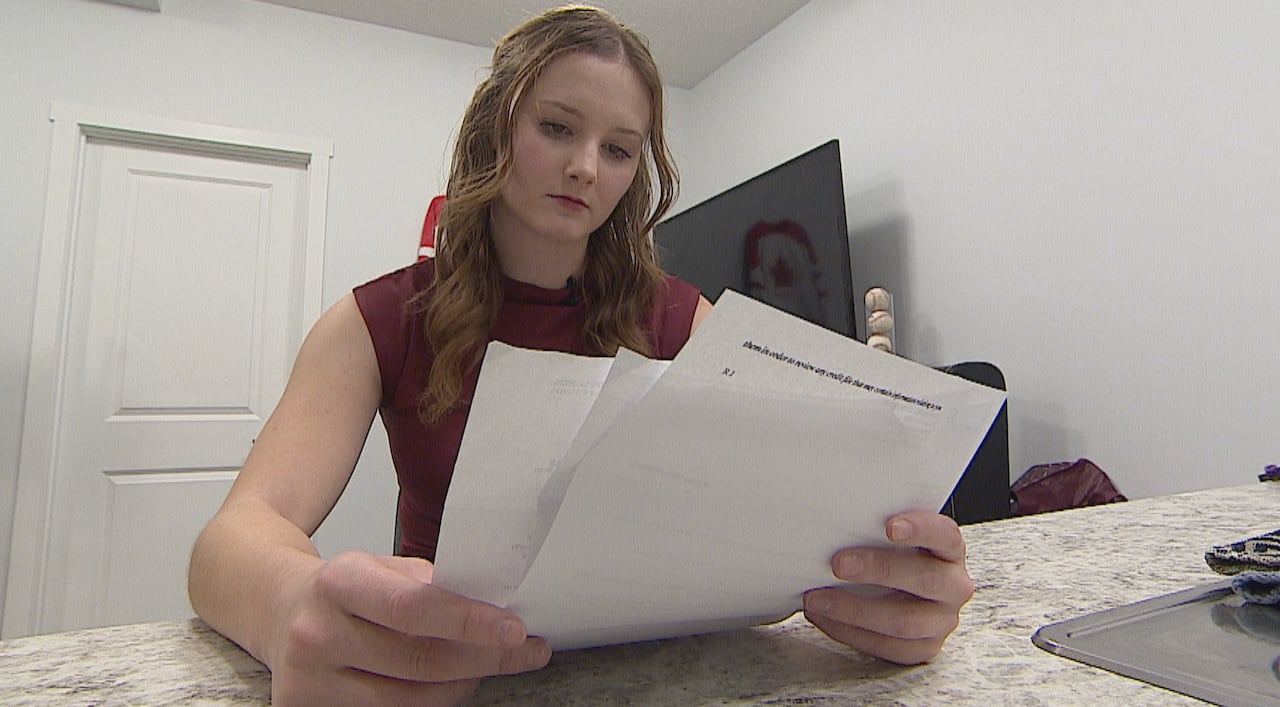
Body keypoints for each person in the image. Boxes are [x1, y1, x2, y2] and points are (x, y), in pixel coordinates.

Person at [188, 5, 974, 705]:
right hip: (454, 676)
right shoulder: (378, 319)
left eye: (620, 148)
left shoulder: (675, 315)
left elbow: (797, 499)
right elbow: (234, 538)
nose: (586, 168)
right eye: (558, 128)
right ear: (497, 127)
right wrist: (292, 601)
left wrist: (890, 571)